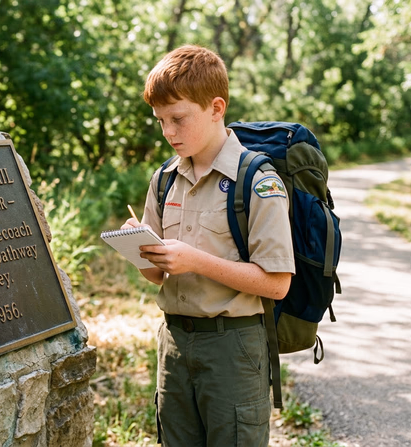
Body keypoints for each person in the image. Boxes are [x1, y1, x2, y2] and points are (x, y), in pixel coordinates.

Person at [121, 44, 295, 446]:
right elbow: (156, 276)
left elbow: (277, 284)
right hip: (174, 343)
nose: (168, 132)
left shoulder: (257, 180)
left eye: (178, 118)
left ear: (216, 108)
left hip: (232, 347)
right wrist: (140, 248)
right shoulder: (164, 178)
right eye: (160, 120)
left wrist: (195, 260)